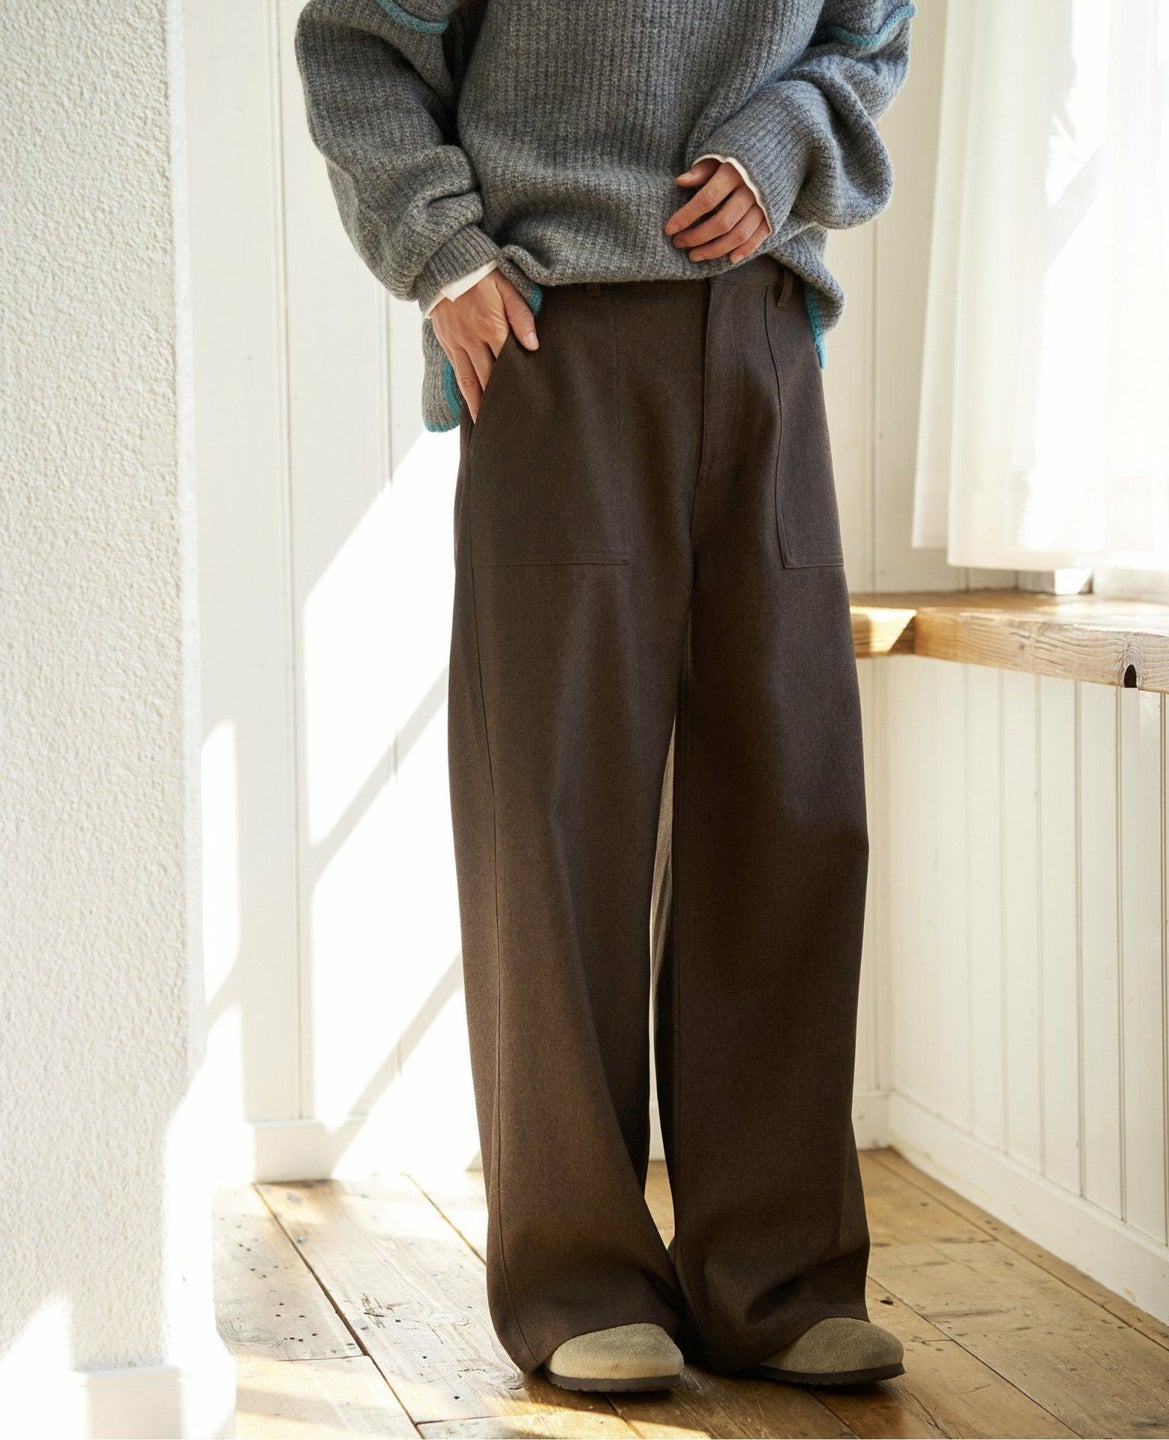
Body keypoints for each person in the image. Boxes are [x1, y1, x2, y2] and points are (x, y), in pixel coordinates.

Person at [295, 0, 915, 1395]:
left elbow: (870, 29)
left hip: (761, 329)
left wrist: (785, 134)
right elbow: (358, 41)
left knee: (791, 805)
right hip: (549, 334)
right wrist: (443, 253)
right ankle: (576, 1276)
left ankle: (778, 1278)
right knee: (555, 817)